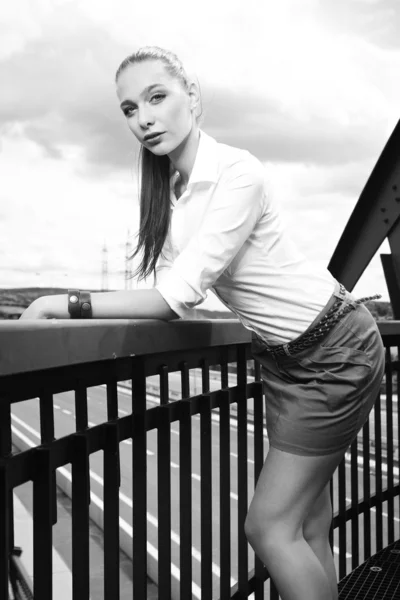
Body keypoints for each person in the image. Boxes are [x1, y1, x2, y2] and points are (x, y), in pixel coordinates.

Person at [21, 46, 386, 600]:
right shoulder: (172, 196)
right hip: (285, 360)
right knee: (306, 525)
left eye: (156, 97)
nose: (142, 117)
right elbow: (174, 295)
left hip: (335, 348)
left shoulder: (237, 173)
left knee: (268, 527)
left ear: (191, 95)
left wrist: (60, 303)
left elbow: (174, 296)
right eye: (127, 109)